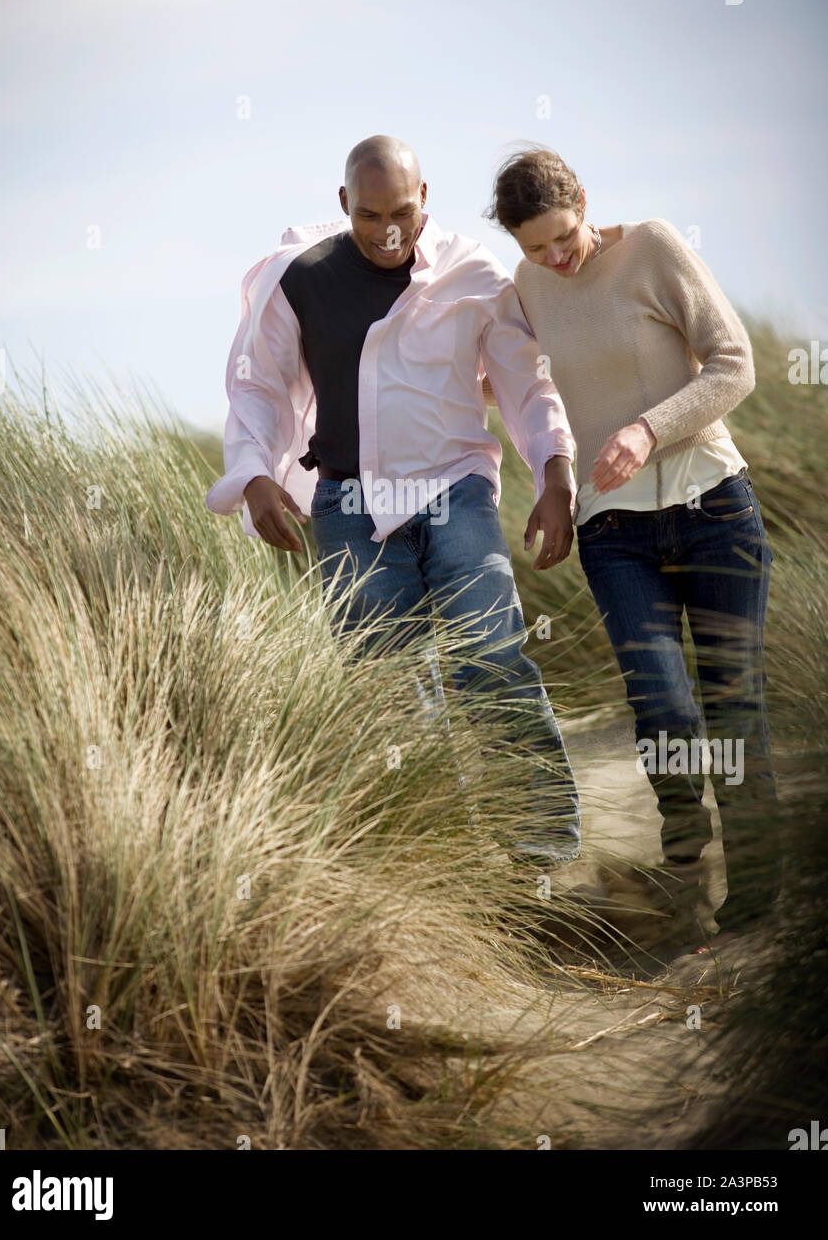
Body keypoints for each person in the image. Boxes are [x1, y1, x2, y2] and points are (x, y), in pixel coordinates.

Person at [206, 135, 580, 867]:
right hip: (348, 501)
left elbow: (527, 385)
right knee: (386, 683)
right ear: (345, 204)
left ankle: (544, 854)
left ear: (426, 198)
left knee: (490, 656)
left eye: (402, 212)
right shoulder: (301, 277)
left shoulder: (473, 274)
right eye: (370, 214)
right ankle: (428, 861)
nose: (387, 231)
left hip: (456, 489)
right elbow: (258, 385)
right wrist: (254, 476)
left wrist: (556, 473)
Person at [486, 144, 781, 946]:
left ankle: (759, 895)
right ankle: (687, 878)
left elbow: (735, 365)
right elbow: (507, 379)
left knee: (732, 705)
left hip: (715, 507)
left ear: (582, 197)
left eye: (563, 235)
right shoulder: (527, 286)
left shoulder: (652, 245)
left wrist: (647, 432)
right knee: (662, 707)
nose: (555, 256)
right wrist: (551, 482)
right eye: (535, 247)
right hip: (613, 533)